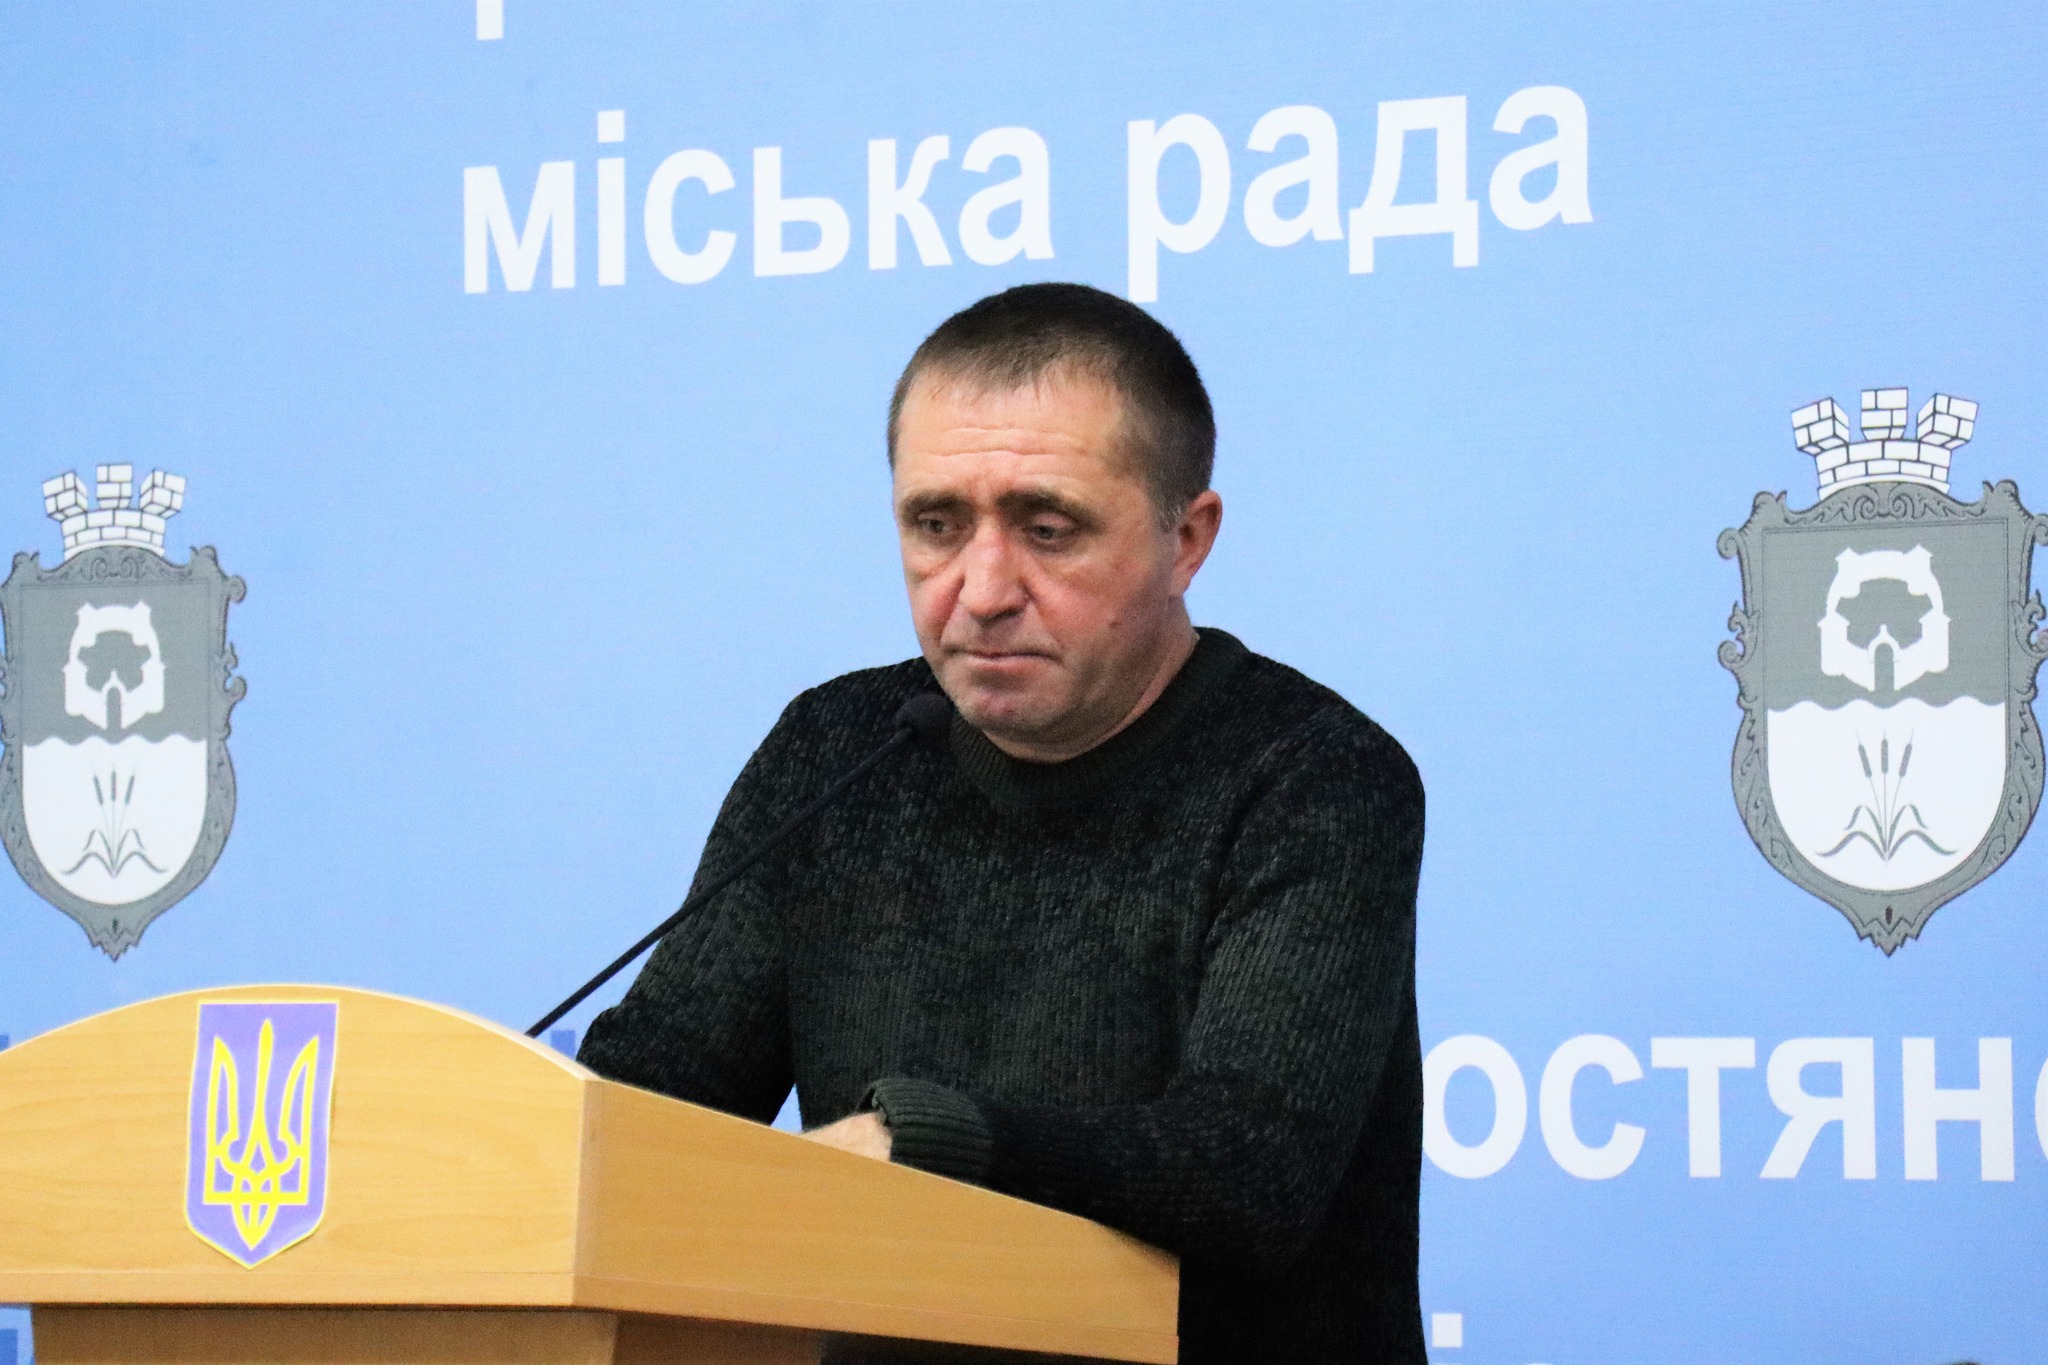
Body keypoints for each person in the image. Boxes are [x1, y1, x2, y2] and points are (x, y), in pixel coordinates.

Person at [579, 282, 1426, 1364]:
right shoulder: (837, 750)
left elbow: (1245, 1170)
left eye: (1047, 529)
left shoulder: (1313, 776)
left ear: (1186, 539)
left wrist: (930, 1143)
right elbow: (649, 1108)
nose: (981, 590)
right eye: (936, 525)